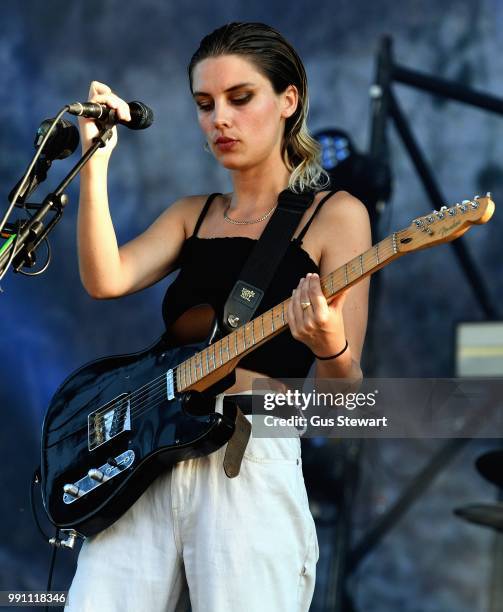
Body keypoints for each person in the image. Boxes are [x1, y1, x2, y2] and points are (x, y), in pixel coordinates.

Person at [66, 21, 371, 612]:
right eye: (204, 105)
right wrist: (95, 165)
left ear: (289, 100)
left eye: (240, 98)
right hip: (149, 456)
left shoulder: (338, 215)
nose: (218, 120)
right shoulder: (192, 214)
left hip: (247, 457)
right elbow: (105, 278)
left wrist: (330, 347)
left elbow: (346, 402)